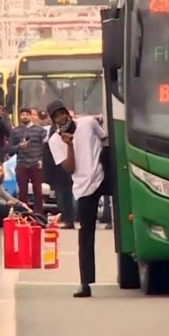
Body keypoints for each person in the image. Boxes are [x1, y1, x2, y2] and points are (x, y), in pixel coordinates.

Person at [47, 100, 107, 298]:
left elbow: (105, 138)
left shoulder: (88, 123)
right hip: (83, 187)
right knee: (86, 234)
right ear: (53, 121)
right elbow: (70, 168)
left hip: (104, 176)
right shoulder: (55, 141)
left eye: (62, 113)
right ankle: (85, 282)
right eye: (56, 116)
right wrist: (70, 145)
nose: (61, 118)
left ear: (68, 113)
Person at [9, 108, 47, 214]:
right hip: (22, 163)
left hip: (36, 163)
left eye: (27, 114)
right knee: (22, 191)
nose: (24, 116)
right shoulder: (15, 131)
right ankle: (23, 214)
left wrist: (41, 160)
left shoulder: (40, 130)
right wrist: (19, 147)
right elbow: (10, 149)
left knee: (38, 191)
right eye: (22, 115)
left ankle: (39, 214)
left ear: (31, 116)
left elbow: (45, 147)